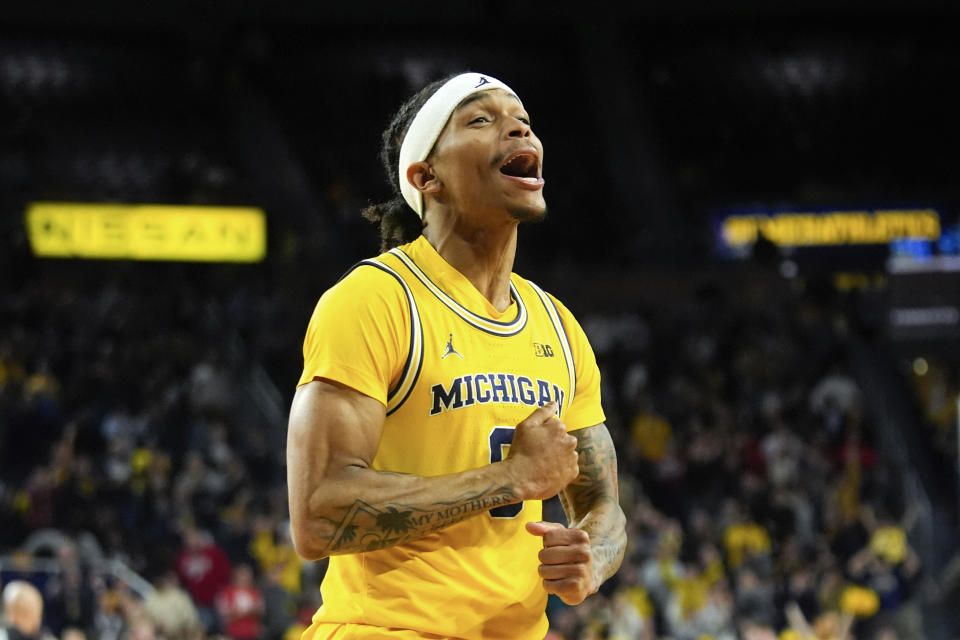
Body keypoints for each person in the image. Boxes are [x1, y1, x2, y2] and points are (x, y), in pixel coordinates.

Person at [286, 72, 627, 639]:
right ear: (428, 177)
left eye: (522, 118)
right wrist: (510, 478)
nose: (518, 126)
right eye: (481, 119)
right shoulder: (375, 300)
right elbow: (319, 514)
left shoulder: (558, 327)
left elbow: (602, 502)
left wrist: (593, 553)